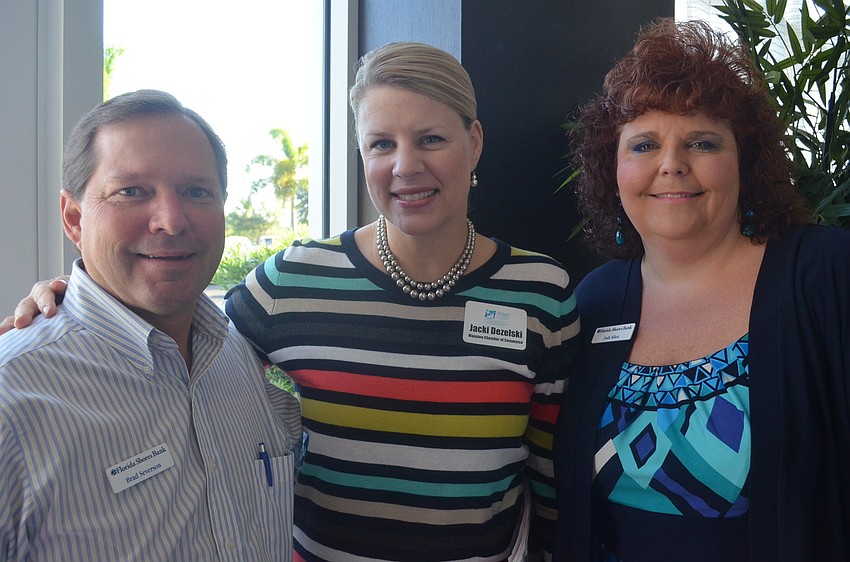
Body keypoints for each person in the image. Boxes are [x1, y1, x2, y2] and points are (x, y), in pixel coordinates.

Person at [1, 44, 579, 560]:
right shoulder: (290, 283)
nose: (406, 165)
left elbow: (549, 475)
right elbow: (167, 327)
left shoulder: (540, 291)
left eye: (431, 138)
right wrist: (70, 301)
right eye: (382, 143)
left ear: (473, 143)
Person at [552, 19, 850, 562]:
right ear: (612, 171)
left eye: (702, 142)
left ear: (746, 163)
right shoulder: (595, 301)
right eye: (644, 145)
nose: (672, 165)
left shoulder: (824, 275)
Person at [0, 90, 301, 561]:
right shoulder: (12, 401)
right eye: (132, 192)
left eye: (196, 192)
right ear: (74, 218)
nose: (171, 220)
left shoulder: (240, 356)